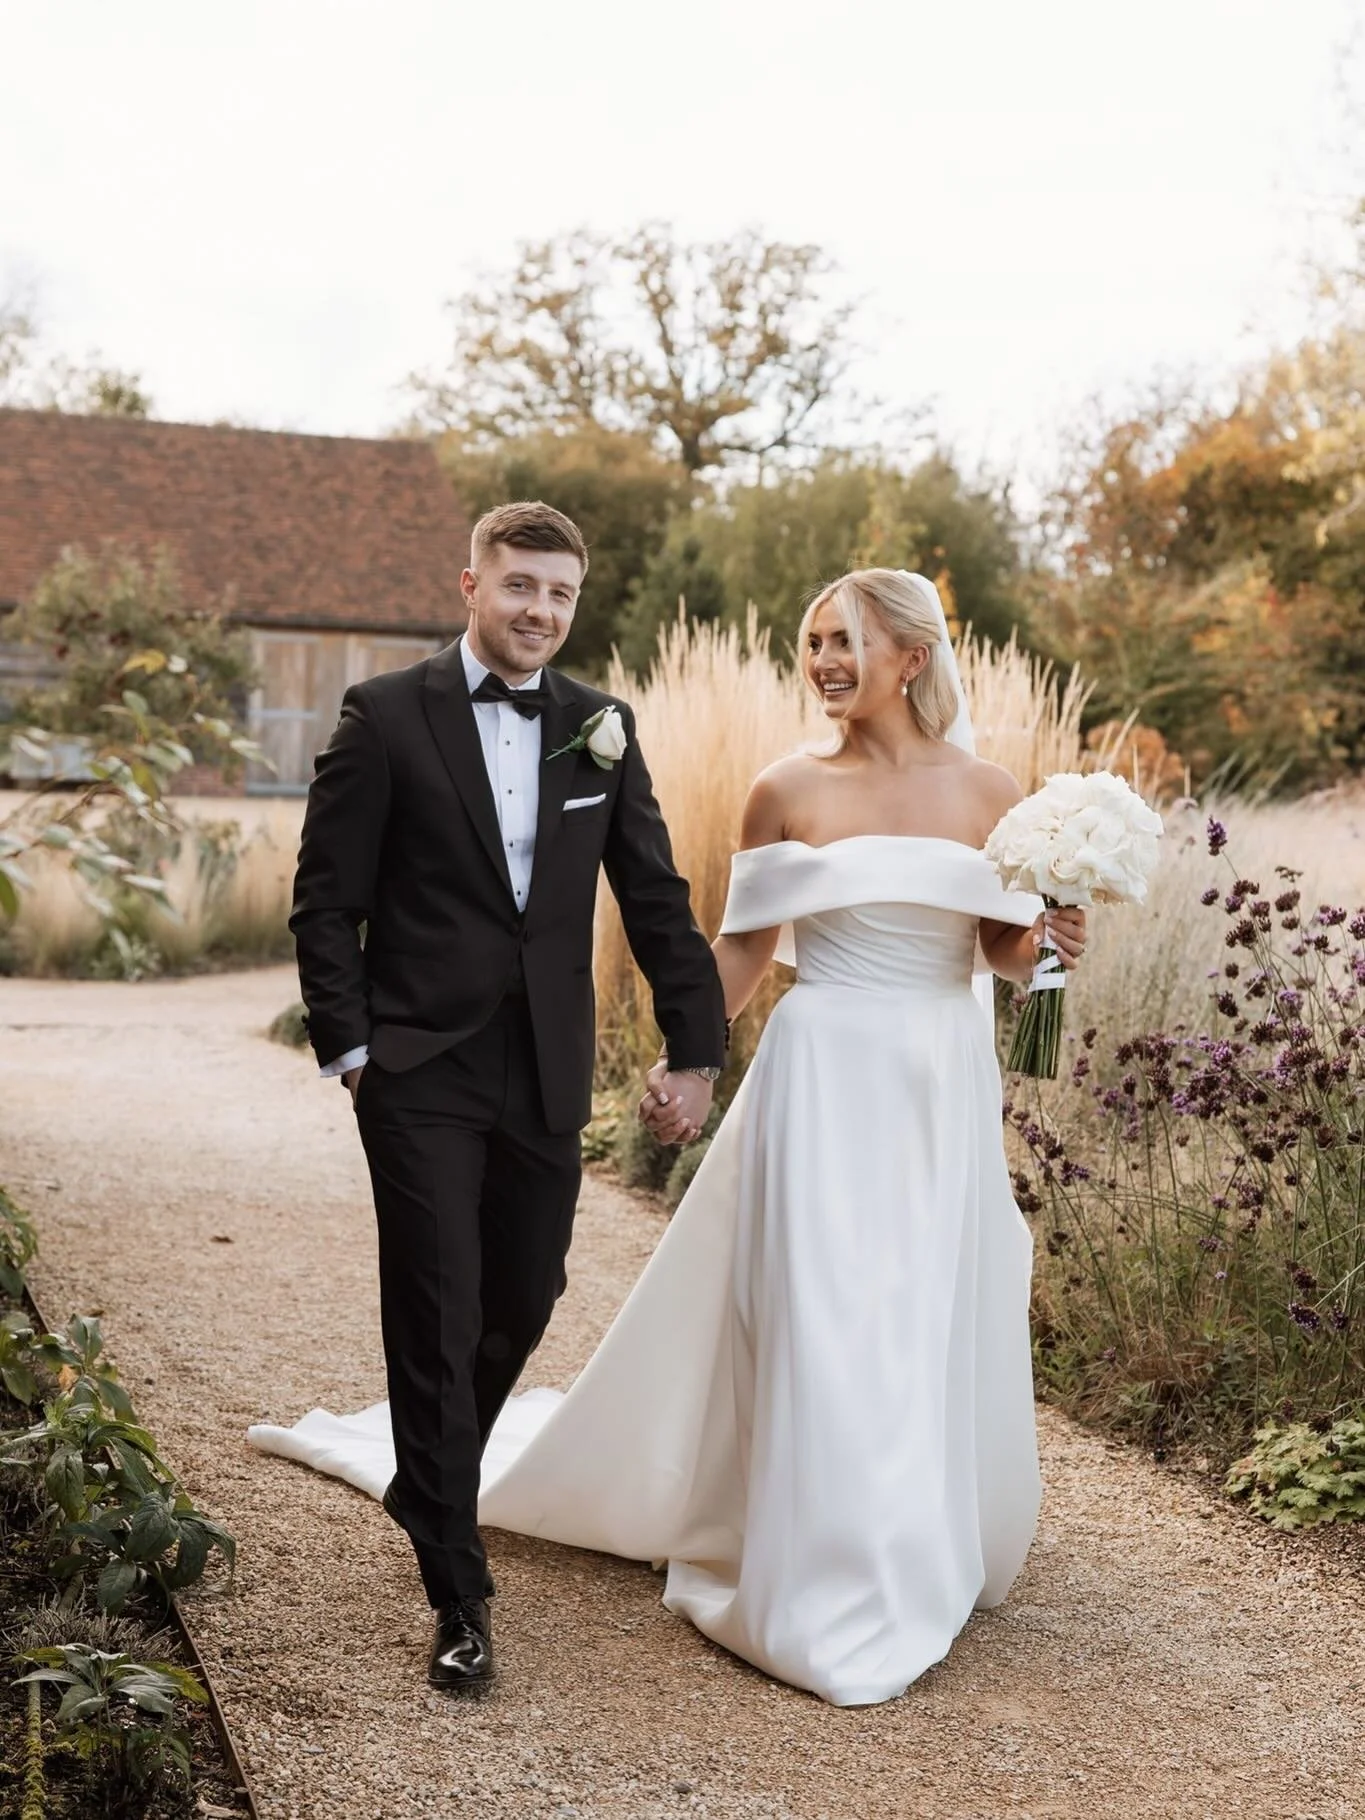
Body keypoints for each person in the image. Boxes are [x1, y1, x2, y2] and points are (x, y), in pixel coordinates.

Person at [255, 566, 1086, 1707]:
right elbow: (738, 950)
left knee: (913, 1304)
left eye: (846, 639)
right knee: (826, 1308)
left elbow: (998, 948)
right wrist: (691, 1059)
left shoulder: (994, 790)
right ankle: (818, 1557)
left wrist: (1050, 948)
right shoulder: (784, 787)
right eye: (813, 639)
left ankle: (908, 1532)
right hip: (825, 1075)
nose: (826, 659)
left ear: (912, 655)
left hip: (939, 1079)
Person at [284, 499, 726, 1690]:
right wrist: (354, 1047)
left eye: (560, 593)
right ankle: (459, 1585)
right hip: (418, 1064)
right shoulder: (386, 716)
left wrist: (696, 1042)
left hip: (544, 1064)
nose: (540, 610)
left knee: (526, 1291)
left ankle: (429, 1477)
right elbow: (327, 900)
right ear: (469, 584)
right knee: (438, 1298)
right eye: (519, 585)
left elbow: (656, 894)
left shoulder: (598, 727)